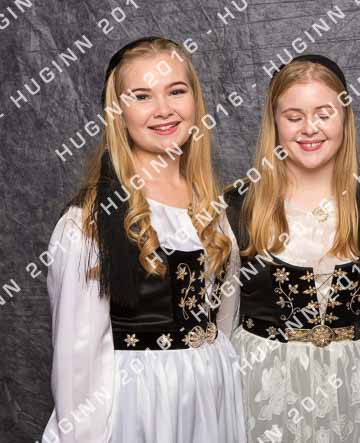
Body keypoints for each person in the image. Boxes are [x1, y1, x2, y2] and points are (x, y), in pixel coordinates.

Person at [42, 36, 245, 443]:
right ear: (118, 113)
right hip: (140, 406)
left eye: (176, 91)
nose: (164, 109)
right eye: (142, 96)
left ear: (195, 101)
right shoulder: (87, 224)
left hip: (211, 396)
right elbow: (78, 364)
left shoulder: (212, 208)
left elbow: (224, 320)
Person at [225, 54, 360, 442]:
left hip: (358, 387)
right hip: (266, 385)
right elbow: (221, 319)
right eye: (294, 116)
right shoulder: (238, 205)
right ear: (274, 122)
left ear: (345, 118)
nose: (309, 128)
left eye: (324, 114)